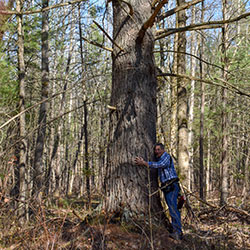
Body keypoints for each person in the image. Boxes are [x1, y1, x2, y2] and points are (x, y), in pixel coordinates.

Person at [135, 143, 183, 240]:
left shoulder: (166, 157)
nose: (156, 151)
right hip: (166, 187)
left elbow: (160, 165)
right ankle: (176, 230)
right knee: (172, 208)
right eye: (155, 150)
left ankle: (178, 232)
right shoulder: (159, 158)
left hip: (172, 186)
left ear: (163, 150)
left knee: (173, 209)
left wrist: (145, 163)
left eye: (158, 149)